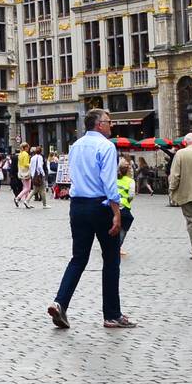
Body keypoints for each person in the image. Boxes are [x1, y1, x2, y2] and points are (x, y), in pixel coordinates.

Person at [47, 108, 132, 330]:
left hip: (77, 207)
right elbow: (109, 183)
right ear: (97, 124)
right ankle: (112, 314)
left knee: (78, 258)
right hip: (100, 205)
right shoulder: (106, 146)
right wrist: (116, 213)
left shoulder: (75, 146)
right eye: (108, 121)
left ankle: (60, 302)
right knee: (111, 259)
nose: (110, 125)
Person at [116, 159, 135, 258]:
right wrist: (127, 201)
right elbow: (131, 195)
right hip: (123, 207)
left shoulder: (115, 179)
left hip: (113, 205)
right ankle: (117, 247)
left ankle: (110, 245)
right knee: (124, 227)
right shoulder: (130, 181)